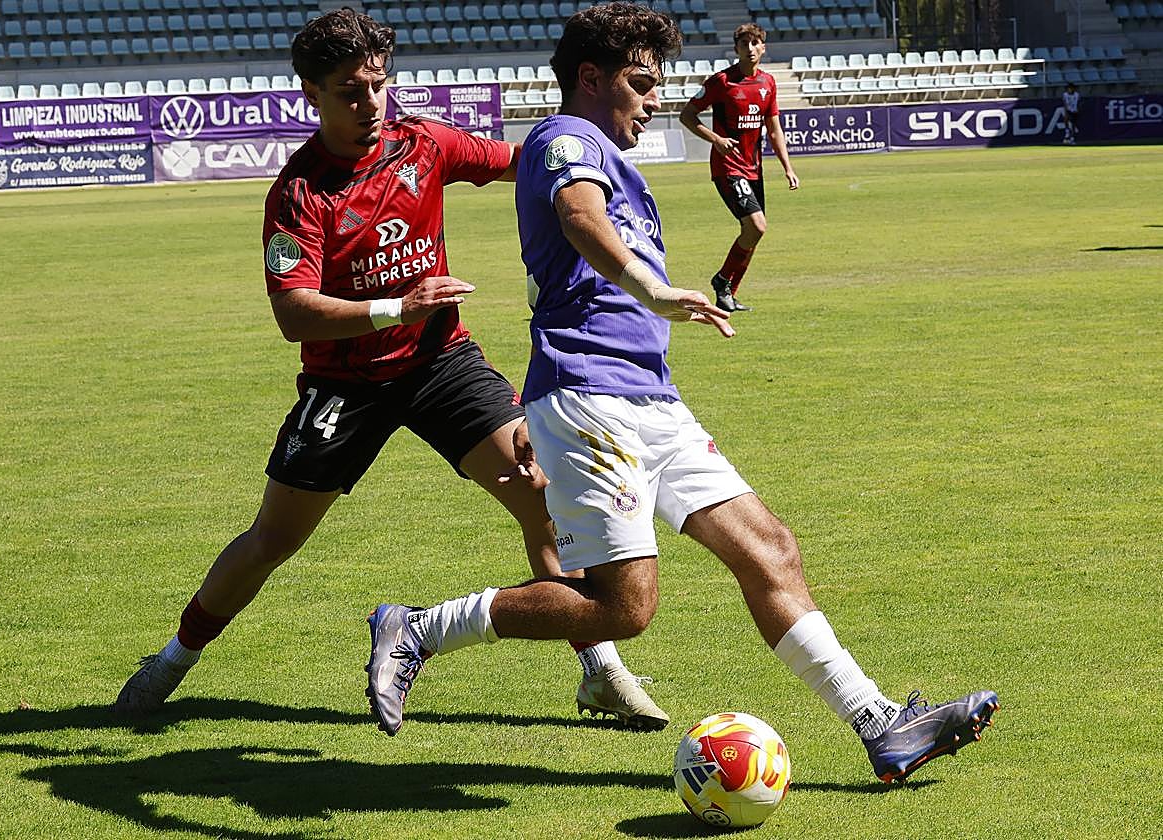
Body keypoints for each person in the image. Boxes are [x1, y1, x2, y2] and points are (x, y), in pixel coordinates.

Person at [365, 2, 999, 785]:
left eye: (657, 82)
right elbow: (578, 216)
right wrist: (651, 288)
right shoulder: (568, 139)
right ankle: (419, 628)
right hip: (592, 398)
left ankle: (880, 727)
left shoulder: (604, 150)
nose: (653, 98)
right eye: (640, 82)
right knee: (624, 608)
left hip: (649, 397)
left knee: (771, 549)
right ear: (591, 78)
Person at [114, 7, 668, 731]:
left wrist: (577, 162)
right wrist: (395, 306)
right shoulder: (300, 193)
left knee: (541, 496)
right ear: (310, 93)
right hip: (345, 384)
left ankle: (602, 672)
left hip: (442, 362)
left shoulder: (423, 144)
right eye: (349, 90)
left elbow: (522, 162)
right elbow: (295, 314)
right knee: (272, 541)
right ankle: (170, 662)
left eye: (378, 85)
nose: (370, 103)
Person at [678, 22, 798, 314]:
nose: (750, 48)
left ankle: (727, 291)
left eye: (755, 43)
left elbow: (774, 129)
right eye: (744, 44)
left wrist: (787, 167)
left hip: (754, 169)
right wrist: (716, 139)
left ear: (763, 47)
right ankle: (722, 282)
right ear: (736, 49)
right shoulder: (722, 82)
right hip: (728, 167)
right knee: (756, 226)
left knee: (754, 233)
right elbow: (687, 115)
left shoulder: (768, 83)